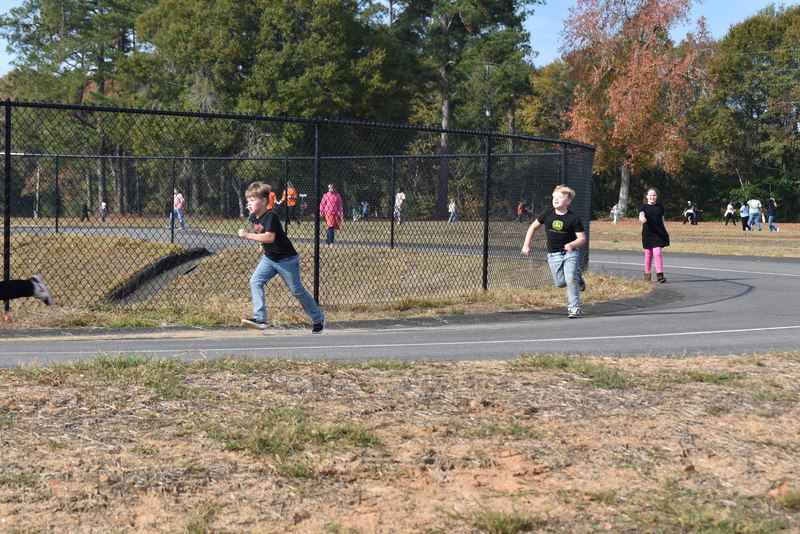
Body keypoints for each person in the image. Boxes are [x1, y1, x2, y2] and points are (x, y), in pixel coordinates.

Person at [237, 182, 325, 333]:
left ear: (264, 201)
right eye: (248, 201)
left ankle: (318, 318)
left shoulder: (271, 215)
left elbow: (270, 237)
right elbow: (261, 233)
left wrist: (247, 235)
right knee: (255, 281)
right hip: (270, 259)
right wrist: (260, 244)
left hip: (287, 260)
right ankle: (260, 319)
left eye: (252, 200)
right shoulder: (253, 217)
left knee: (297, 291)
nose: (248, 203)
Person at [521, 185, 587, 319]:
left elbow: (582, 238)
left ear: (568, 201)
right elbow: (532, 228)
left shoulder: (573, 218)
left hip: (570, 253)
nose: (556, 200)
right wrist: (526, 245)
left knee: (570, 279)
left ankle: (574, 308)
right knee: (560, 283)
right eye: (554, 197)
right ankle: (578, 276)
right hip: (554, 254)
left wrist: (571, 244)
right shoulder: (547, 213)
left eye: (560, 197)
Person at [639, 187, 670, 283]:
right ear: (647, 196)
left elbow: (662, 220)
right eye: (651, 195)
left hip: (658, 234)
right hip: (648, 234)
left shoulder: (660, 207)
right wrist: (642, 218)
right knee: (648, 255)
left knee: (657, 253)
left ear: (657, 197)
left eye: (654, 195)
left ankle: (660, 275)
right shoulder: (644, 206)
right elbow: (641, 214)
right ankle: (647, 275)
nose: (652, 197)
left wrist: (664, 232)